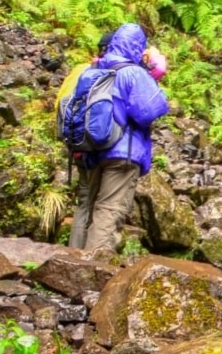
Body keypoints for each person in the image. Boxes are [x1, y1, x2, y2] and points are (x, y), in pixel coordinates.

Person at [63, 23, 169, 252]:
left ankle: (71, 260)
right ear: (137, 47)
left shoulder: (93, 70)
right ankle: (92, 272)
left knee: (87, 208)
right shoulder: (133, 72)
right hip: (122, 152)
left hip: (93, 148)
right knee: (109, 209)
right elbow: (149, 111)